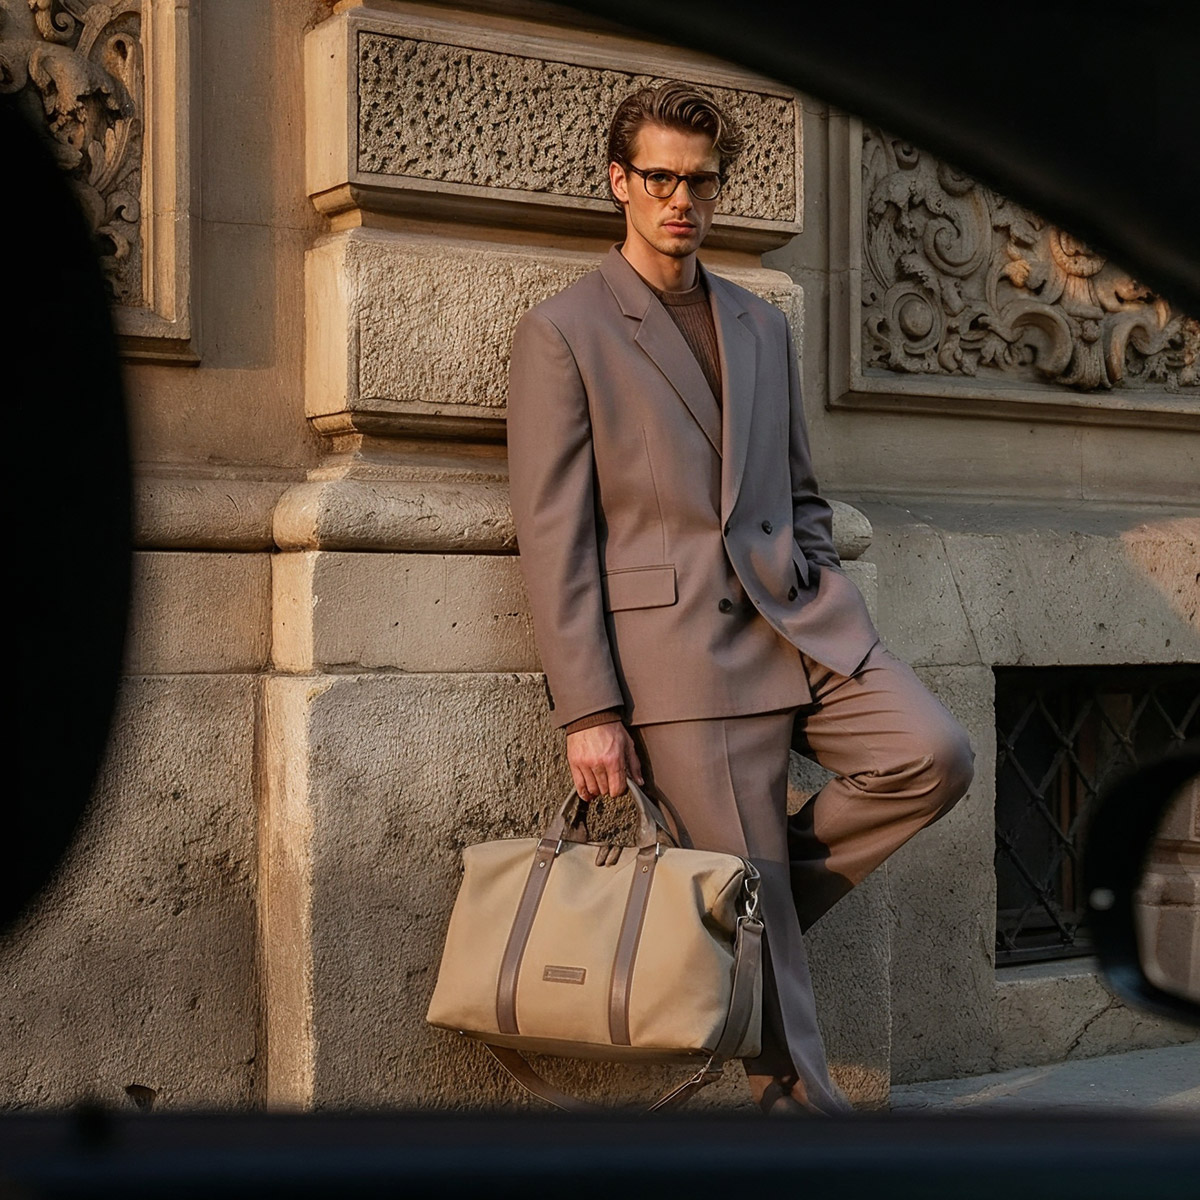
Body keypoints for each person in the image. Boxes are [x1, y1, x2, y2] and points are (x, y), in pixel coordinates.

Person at [506, 81, 974, 1115]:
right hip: (680, 657)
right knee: (750, 900)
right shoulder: (565, 332)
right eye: (660, 178)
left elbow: (800, 491)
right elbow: (554, 537)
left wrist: (820, 581)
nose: (682, 200)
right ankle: (803, 1118)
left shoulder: (760, 324)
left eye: (701, 181)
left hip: (801, 625)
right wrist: (589, 709)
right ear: (619, 181)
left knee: (933, 754)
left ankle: (728, 912)